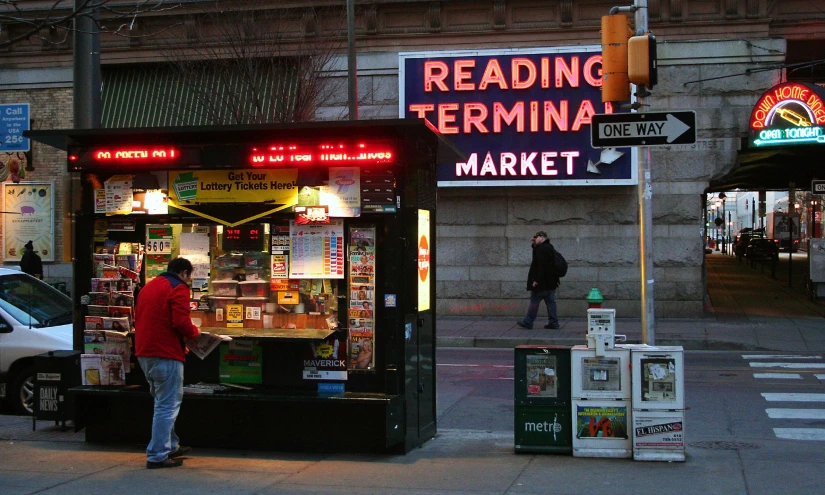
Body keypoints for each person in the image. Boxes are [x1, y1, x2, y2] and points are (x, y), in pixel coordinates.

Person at [134, 257, 200, 469]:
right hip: (165, 353)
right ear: (184, 273)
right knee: (167, 405)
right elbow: (181, 322)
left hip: (145, 352)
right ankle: (157, 455)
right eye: (189, 276)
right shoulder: (177, 288)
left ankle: (171, 445)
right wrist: (195, 334)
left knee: (161, 401)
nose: (188, 281)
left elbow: (154, 319)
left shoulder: (149, 286)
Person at [516, 231, 560, 330]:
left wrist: (537, 280)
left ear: (542, 237)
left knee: (534, 302)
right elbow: (539, 259)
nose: (535, 239)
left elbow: (541, 266)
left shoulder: (542, 249)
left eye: (537, 237)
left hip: (542, 283)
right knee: (550, 302)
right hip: (550, 282)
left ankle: (528, 322)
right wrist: (534, 244)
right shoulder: (548, 247)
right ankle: (554, 323)